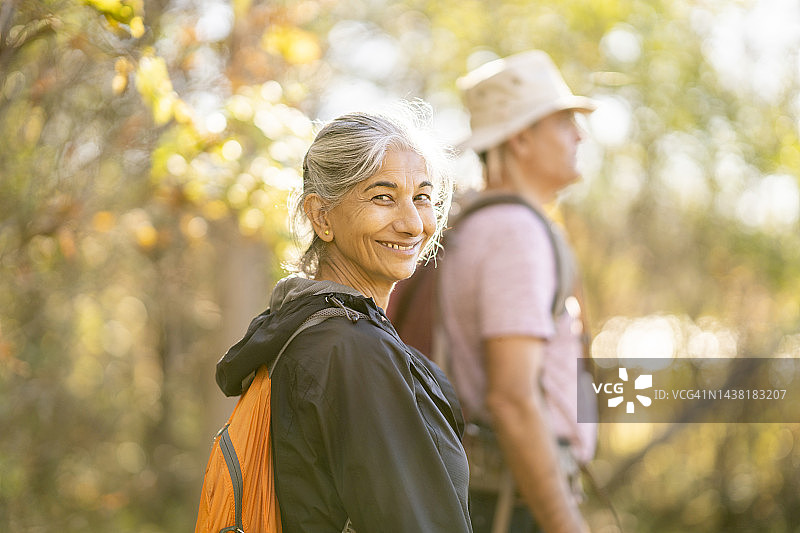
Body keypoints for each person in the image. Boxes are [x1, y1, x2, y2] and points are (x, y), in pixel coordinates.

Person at [214, 105, 473, 532]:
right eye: (383, 197)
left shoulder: (305, 331)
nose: (412, 223)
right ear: (321, 216)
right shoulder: (350, 350)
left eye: (422, 197)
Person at [438, 50, 598, 532]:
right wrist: (563, 522)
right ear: (522, 138)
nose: (579, 134)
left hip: (499, 492)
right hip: (517, 502)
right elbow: (511, 397)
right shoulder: (515, 233)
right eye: (564, 121)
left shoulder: (476, 222)